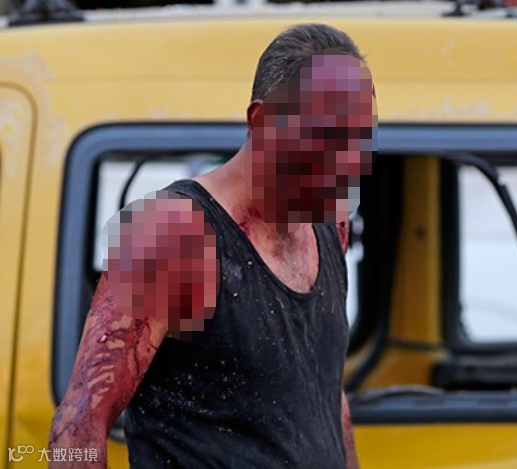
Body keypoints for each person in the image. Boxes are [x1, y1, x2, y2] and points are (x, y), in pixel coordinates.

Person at [49, 23, 376, 468]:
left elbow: (326, 394)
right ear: (263, 123)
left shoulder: (329, 224)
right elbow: (77, 428)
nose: (349, 160)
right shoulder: (172, 234)